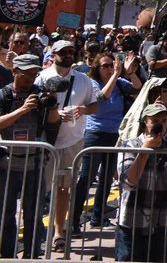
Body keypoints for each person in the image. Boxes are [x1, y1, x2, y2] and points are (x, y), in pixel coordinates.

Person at [37, 38, 99, 252]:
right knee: (39, 189)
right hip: (46, 142)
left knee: (63, 188)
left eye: (71, 52)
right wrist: (54, 113)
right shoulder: (42, 78)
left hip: (72, 142)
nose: (68, 56)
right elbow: (34, 106)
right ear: (53, 55)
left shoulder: (83, 80)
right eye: (63, 52)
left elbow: (94, 104)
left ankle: (58, 233)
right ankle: (36, 233)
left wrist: (83, 110)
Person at [71, 49, 141, 233]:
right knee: (86, 178)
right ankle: (74, 220)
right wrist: (116, 74)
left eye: (112, 65)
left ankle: (98, 216)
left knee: (107, 178)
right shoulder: (92, 83)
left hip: (114, 135)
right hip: (95, 134)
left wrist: (130, 72)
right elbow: (102, 96)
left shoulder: (119, 82)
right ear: (97, 68)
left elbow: (138, 88)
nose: (110, 69)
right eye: (106, 66)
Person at [0, 53, 59, 259]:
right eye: (26, 74)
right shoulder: (4, 95)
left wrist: (52, 107)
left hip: (35, 164)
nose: (31, 79)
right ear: (14, 71)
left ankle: (32, 255)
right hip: (6, 165)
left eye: (34, 74)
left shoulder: (40, 94)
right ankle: (7, 255)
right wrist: (22, 110)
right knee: (6, 215)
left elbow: (53, 125)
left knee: (34, 214)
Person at [115, 103, 167, 262]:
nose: (160, 125)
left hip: (159, 225)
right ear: (145, 122)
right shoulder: (131, 145)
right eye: (155, 120)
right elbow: (128, 182)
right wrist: (145, 151)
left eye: (164, 120)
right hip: (131, 223)